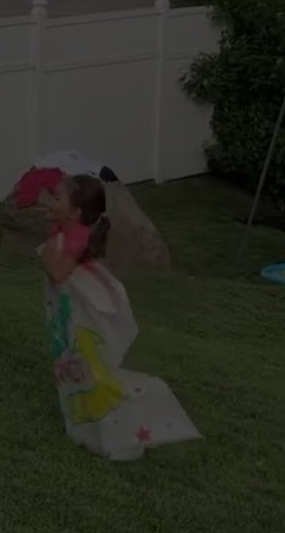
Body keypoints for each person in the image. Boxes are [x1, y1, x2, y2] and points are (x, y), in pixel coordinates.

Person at [41, 174, 201, 460]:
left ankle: (127, 420)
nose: (50, 201)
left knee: (94, 374)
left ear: (75, 213)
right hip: (73, 316)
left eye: (57, 197)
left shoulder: (76, 238)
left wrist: (49, 249)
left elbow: (57, 273)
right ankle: (91, 427)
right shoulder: (66, 232)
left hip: (83, 320)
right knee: (83, 372)